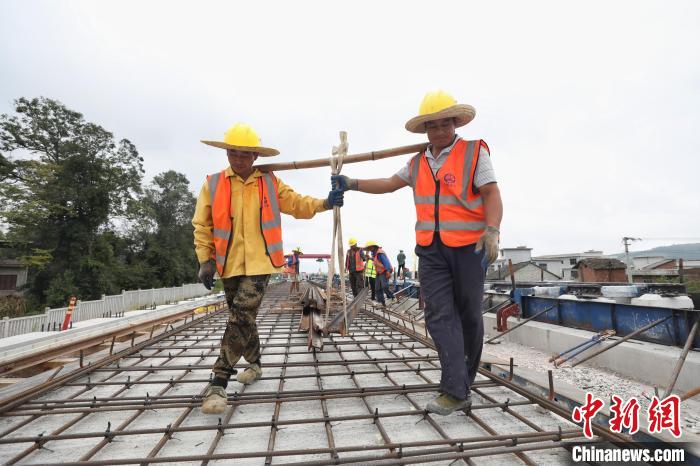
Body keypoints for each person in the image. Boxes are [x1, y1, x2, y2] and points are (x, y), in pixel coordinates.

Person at [332, 91, 503, 415]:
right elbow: (388, 183)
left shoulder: (473, 152)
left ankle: (463, 382)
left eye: (444, 124)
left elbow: (491, 192)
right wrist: (351, 182)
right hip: (431, 250)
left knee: (469, 316)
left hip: (470, 247)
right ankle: (454, 390)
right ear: (425, 130)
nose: (439, 131)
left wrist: (492, 229)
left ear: (454, 123)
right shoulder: (417, 162)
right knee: (439, 315)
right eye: (432, 126)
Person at [193, 123, 344, 414]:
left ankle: (218, 382)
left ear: (255, 156)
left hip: (261, 262)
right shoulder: (212, 183)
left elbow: (297, 204)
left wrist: (325, 203)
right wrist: (205, 259)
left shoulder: (269, 183)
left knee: (240, 316)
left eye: (245, 154)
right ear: (226, 152)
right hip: (229, 263)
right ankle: (256, 363)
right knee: (242, 317)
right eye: (233, 153)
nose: (238, 159)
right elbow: (202, 225)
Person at [364, 241, 395, 307]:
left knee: (384, 286)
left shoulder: (380, 253)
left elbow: (386, 262)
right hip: (378, 272)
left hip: (384, 271)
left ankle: (392, 297)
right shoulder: (374, 253)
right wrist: (370, 258)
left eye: (369, 248)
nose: (368, 249)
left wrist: (388, 271)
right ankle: (381, 302)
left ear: (372, 247)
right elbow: (376, 260)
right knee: (377, 288)